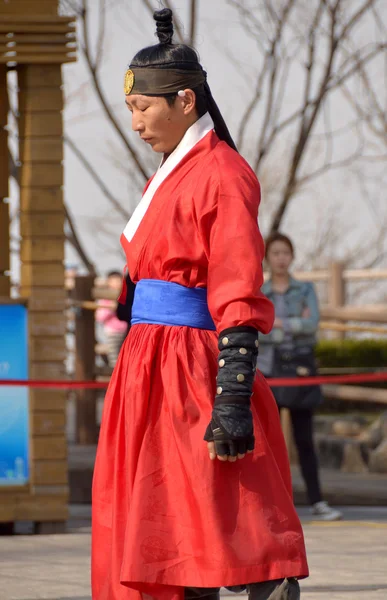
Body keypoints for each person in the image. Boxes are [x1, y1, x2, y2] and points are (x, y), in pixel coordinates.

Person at [92, 9, 308, 600]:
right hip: (146, 364)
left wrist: (233, 393)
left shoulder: (222, 174)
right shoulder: (169, 174)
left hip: (189, 365)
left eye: (143, 108)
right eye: (131, 110)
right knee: (162, 524)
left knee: (209, 514)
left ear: (185, 101)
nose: (135, 123)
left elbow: (238, 282)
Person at [258, 232, 342, 521]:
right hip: (269, 370)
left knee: (305, 439)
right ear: (267, 257)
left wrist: (278, 325)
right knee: (267, 441)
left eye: (286, 253)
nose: (281, 258)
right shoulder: (260, 290)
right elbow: (259, 328)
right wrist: (287, 327)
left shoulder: (304, 289)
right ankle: (271, 503)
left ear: (292, 256)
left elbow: (312, 324)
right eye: (276, 253)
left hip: (301, 370)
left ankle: (317, 500)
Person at [96, 271, 128, 367]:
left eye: (119, 281)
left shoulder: (125, 295)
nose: (117, 283)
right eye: (114, 281)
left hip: (126, 331)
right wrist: (111, 307)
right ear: (108, 282)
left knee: (125, 357)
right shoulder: (105, 298)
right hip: (113, 332)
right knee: (114, 358)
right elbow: (100, 317)